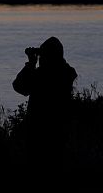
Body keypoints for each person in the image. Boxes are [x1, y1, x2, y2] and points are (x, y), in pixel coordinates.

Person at [12, 36, 78, 175]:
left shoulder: (43, 75)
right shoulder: (66, 72)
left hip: (38, 132)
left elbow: (20, 87)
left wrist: (30, 63)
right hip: (60, 130)